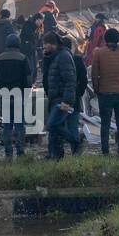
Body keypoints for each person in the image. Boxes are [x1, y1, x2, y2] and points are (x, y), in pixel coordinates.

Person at [91, 28, 119, 155]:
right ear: (118, 39)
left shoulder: (98, 53)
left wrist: (97, 89)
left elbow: (94, 74)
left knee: (105, 123)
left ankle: (105, 151)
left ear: (105, 39)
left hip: (105, 93)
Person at [0, 33, 31, 160]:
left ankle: (8, 154)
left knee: (7, 125)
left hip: (4, 97)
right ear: (18, 43)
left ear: (7, 44)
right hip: (19, 97)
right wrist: (26, 95)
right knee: (19, 125)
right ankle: (20, 152)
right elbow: (28, 80)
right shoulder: (23, 58)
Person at [41, 31, 76, 160]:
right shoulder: (52, 56)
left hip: (61, 98)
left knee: (51, 125)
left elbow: (70, 80)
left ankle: (75, 141)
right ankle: (55, 155)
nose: (44, 46)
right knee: (56, 128)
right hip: (53, 97)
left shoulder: (64, 56)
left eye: (46, 43)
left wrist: (67, 101)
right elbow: (47, 76)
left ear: (53, 44)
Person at [68, 37, 88, 154]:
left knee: (58, 124)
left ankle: (57, 152)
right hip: (74, 97)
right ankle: (75, 148)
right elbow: (84, 79)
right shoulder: (78, 60)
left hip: (60, 98)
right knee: (73, 124)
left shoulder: (56, 58)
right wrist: (79, 92)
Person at [18, 12, 41, 85]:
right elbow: (27, 39)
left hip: (32, 50)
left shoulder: (34, 27)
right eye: (40, 20)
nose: (41, 22)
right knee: (30, 68)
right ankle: (28, 84)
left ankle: (31, 84)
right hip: (27, 51)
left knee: (34, 68)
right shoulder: (28, 26)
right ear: (36, 19)